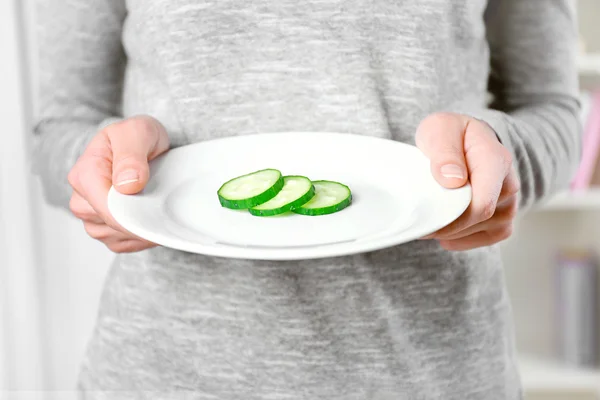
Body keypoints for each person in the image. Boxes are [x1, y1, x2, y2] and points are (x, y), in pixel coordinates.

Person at [32, 0, 581, 398]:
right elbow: (61, 129)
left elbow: (553, 112)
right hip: (164, 374)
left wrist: (501, 154)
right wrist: (105, 171)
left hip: (433, 372)